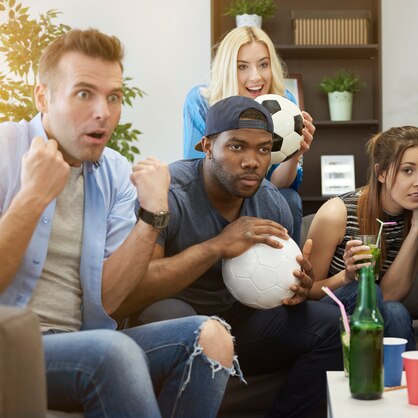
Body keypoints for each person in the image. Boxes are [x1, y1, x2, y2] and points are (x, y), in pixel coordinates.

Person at [0, 29, 237, 417]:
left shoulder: (114, 173)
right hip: (11, 348)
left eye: (114, 97)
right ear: (42, 96)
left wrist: (152, 215)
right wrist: (33, 197)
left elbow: (108, 301)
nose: (103, 112)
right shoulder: (5, 149)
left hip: (84, 343)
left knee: (212, 338)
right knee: (112, 351)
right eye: (84, 94)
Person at [115, 96, 342, 418]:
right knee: (172, 313)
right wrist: (217, 246)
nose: (253, 161)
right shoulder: (170, 193)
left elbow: (278, 284)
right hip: (173, 321)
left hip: (239, 321)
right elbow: (132, 293)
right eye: (237, 147)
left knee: (332, 325)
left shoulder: (271, 202)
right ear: (207, 146)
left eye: (263, 149)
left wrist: (296, 287)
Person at [306, 126, 418, 351]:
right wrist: (346, 276)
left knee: (394, 309)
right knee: (369, 292)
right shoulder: (337, 213)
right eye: (407, 170)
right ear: (381, 173)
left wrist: (416, 231)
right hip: (332, 312)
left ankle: (401, 383)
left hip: (381, 309)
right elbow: (307, 291)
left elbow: (392, 294)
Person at [183, 26, 315, 245]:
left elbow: (279, 185)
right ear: (227, 69)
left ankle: (288, 271)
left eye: (263, 64)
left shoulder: (284, 101)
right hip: (216, 197)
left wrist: (295, 154)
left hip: (264, 193)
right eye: (242, 67)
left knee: (290, 199)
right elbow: (195, 175)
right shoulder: (200, 101)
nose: (256, 77)